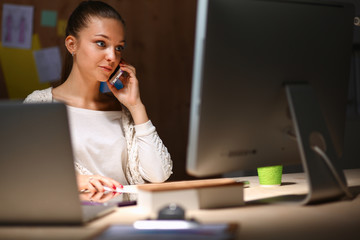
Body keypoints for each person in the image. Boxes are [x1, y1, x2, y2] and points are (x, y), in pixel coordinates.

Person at [24, 1, 173, 197]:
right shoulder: (39, 105)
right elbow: (25, 173)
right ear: (72, 44)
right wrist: (77, 181)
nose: (112, 56)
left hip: (127, 216)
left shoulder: (123, 111)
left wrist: (136, 106)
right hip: (76, 220)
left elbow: (159, 175)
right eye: (101, 43)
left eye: (119, 47)